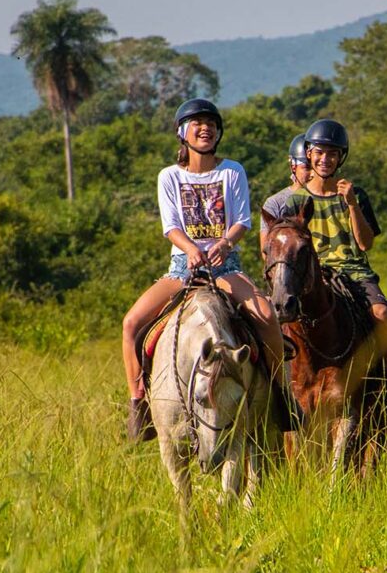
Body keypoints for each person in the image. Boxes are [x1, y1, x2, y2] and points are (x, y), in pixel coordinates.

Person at [121, 98, 297, 440]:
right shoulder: (169, 176)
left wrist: (224, 244)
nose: (206, 128)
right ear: (182, 133)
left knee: (267, 317)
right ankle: (139, 405)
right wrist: (190, 250)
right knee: (131, 325)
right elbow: (170, 225)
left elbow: (242, 220)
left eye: (211, 124)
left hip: (225, 267)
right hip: (181, 269)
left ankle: (280, 396)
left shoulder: (232, 170)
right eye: (197, 123)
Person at [282, 118, 387, 411]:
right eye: (319, 152)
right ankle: (278, 390)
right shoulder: (296, 200)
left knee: (379, 314)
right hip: (313, 276)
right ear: (309, 154)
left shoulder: (356, 195)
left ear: (341, 157)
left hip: (353, 272)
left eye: (332, 154)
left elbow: (365, 244)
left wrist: (352, 204)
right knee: (278, 320)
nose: (325, 159)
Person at [259, 133, 309, 259]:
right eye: (307, 168)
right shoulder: (275, 203)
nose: (312, 173)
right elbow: (266, 251)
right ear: (293, 167)